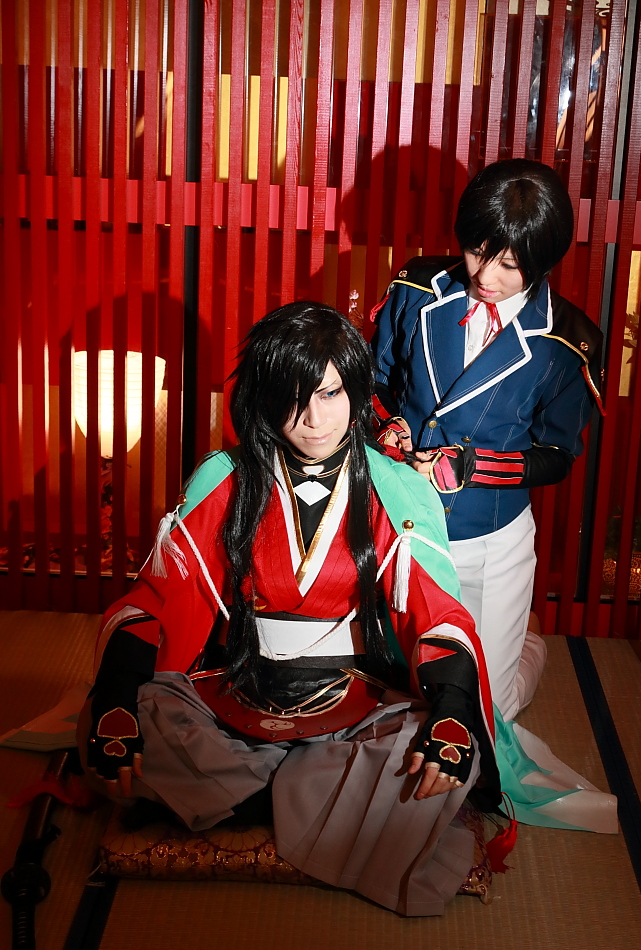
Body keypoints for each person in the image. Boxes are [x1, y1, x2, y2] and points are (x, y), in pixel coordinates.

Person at [79, 301, 503, 917]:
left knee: (425, 752)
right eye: (292, 398)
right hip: (236, 688)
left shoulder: (397, 489)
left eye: (329, 394)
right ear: (262, 398)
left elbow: (436, 615)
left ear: (356, 392)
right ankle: (320, 801)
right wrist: (118, 696)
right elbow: (158, 600)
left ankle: (249, 799)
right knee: (138, 719)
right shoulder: (224, 479)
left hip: (352, 698)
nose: (312, 419)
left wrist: (455, 710)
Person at [371, 158, 604, 723]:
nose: (486, 276)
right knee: (406, 692)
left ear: (543, 261)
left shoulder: (568, 342)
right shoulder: (415, 287)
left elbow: (557, 456)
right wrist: (389, 427)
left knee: (487, 711)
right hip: (403, 518)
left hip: (491, 539)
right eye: (478, 252)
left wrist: (474, 467)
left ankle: (529, 642)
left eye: (510, 265)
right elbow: (372, 382)